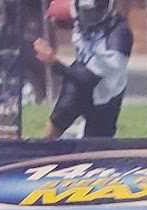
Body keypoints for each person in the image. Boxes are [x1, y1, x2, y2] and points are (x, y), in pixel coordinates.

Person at [35, 0, 133, 137]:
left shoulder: (119, 37)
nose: (89, 17)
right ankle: (43, 149)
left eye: (93, 11)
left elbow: (90, 79)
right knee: (57, 122)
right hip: (79, 81)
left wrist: (54, 62)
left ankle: (77, 136)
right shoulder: (80, 19)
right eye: (85, 12)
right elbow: (59, 11)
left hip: (107, 92)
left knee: (97, 145)